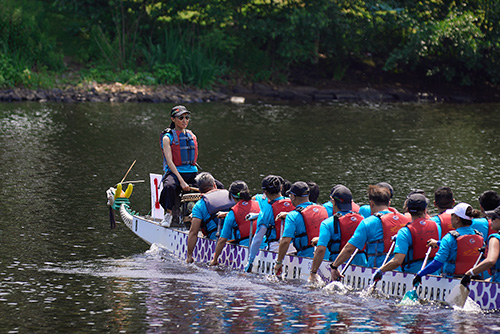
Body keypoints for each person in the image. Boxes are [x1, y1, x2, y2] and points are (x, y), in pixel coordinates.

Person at [330, 185, 408, 281]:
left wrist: (334, 266)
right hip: (402, 274)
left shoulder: (368, 222)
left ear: (371, 203)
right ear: (389, 203)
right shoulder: (405, 221)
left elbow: (349, 249)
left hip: (376, 273)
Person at [371, 193, 440, 282]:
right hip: (435, 278)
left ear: (407, 210)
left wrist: (380, 270)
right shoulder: (437, 226)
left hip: (412, 278)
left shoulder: (404, 232)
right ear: (425, 210)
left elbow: (397, 261)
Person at [413, 202, 484, 285]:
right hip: (472, 281)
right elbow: (461, 246)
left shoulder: (449, 238)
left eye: (452, 215)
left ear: (457, 218)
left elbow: (437, 263)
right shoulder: (479, 236)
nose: (451, 218)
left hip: (451, 282)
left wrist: (420, 274)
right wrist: (438, 243)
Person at [308, 185, 366, 283]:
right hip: (363, 270)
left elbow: (321, 249)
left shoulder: (327, 223)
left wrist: (313, 272)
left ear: (333, 202)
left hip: (337, 269)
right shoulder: (363, 219)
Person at [274, 182, 328, 275]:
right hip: (325, 259)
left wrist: (279, 262)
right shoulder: (322, 209)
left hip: (305, 261)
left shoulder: (293, 216)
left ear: (293, 197)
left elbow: (286, 241)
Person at [246, 175, 295, 272]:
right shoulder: (292, 203)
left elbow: (258, 238)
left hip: (275, 251)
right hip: (293, 249)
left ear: (265, 192)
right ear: (281, 188)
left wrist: (250, 261)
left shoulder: (267, 210)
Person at [159, 105, 198, 226]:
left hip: (191, 172)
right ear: (173, 119)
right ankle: (169, 214)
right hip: (175, 173)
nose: (185, 121)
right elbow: (170, 162)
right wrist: (181, 181)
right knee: (169, 186)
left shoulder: (192, 136)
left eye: (187, 117)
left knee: (216, 185)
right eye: (181, 118)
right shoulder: (167, 137)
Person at [186, 172, 235, 263]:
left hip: (216, 243)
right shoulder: (231, 196)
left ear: (200, 190)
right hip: (237, 240)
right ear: (214, 185)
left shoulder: (199, 205)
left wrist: (189, 256)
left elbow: (193, 232)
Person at [210, 181, 260, 265]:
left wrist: (215, 259)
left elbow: (222, 240)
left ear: (232, 196)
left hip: (246, 251)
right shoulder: (259, 205)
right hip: (263, 249)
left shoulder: (232, 214)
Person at [463, 205, 500, 283]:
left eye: (493, 218)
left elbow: (490, 261)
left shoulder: (495, 238)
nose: (490, 220)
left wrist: (469, 273)